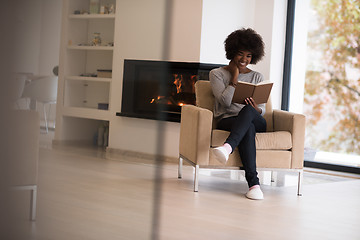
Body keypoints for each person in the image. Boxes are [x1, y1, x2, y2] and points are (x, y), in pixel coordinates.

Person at [210, 28, 267, 200]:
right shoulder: (217, 74)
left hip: (256, 119)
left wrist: (255, 107)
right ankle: (254, 185)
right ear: (232, 52)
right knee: (247, 127)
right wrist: (234, 78)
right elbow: (225, 103)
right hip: (228, 120)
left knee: (249, 112)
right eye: (241, 54)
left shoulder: (257, 76)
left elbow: (261, 110)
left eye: (249, 56)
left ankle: (227, 147)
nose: (244, 59)